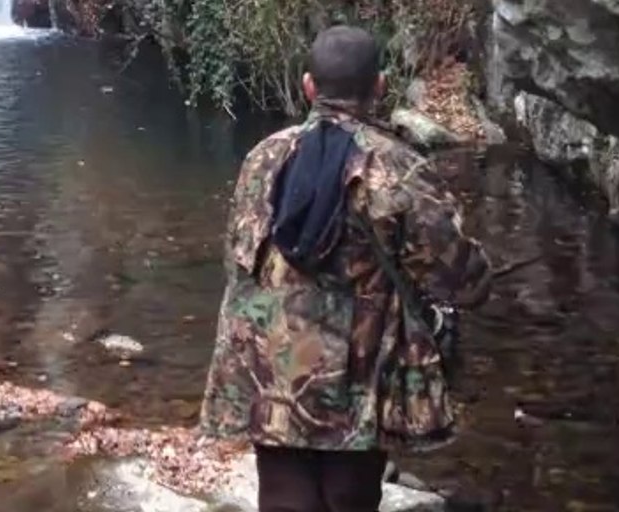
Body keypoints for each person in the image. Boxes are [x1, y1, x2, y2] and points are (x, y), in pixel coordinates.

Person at [199, 25, 491, 512]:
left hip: (267, 363)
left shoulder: (262, 158)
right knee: (349, 497)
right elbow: (463, 278)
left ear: (309, 87)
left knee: (282, 494)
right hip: (355, 371)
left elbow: (238, 255)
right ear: (379, 87)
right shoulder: (400, 168)